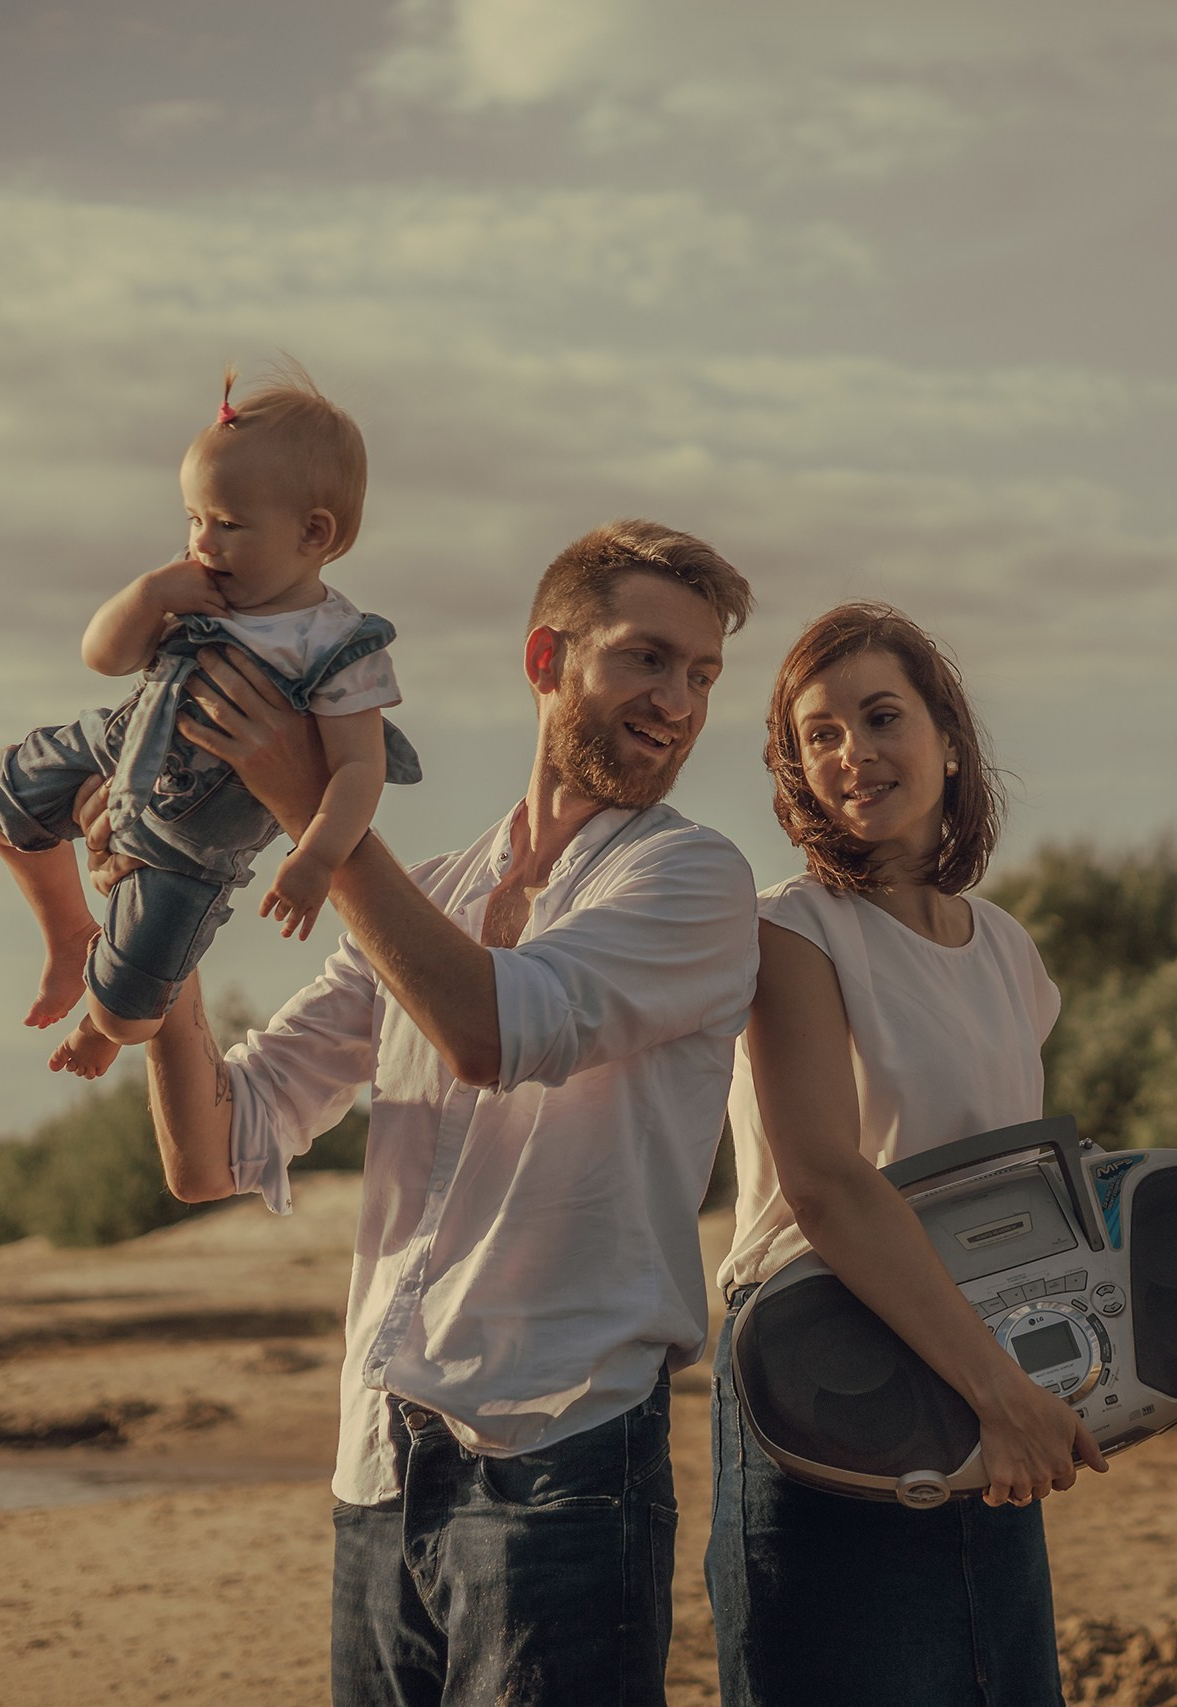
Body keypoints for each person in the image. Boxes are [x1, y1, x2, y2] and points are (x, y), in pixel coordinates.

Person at [105, 520, 757, 1707]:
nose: (678, 701)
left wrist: (319, 813)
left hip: (561, 1465)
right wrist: (175, 907)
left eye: (702, 675)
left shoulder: (696, 880)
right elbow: (211, 1150)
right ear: (544, 661)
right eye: (647, 659)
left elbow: (494, 1031)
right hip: (374, 1463)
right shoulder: (434, 892)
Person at [708, 602, 1107, 1707]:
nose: (853, 754)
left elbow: (1001, 1191)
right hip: (822, 1367)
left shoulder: (1008, 952)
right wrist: (1004, 1393)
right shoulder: (793, 931)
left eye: (880, 717)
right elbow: (827, 1185)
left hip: (973, 1372)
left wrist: (1046, 1379)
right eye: (818, 736)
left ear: (946, 734)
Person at [0, 363, 418, 1081]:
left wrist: (316, 856)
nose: (203, 542)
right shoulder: (196, 586)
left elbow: (359, 769)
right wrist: (150, 594)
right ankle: (66, 935)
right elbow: (103, 656)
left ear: (313, 533)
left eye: (228, 524)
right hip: (114, 751)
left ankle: (99, 1021)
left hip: (192, 844)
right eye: (193, 518)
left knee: (132, 1011)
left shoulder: (338, 647)